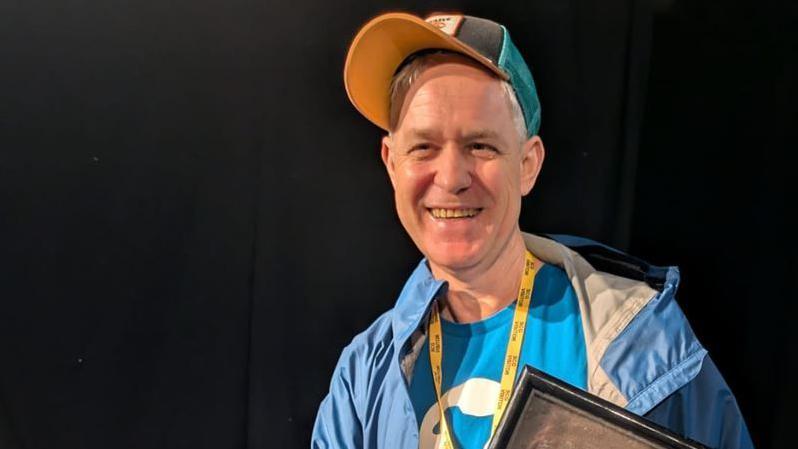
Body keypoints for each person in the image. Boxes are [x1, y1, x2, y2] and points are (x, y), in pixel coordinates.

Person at [312, 12, 753, 449]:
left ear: (527, 165)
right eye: (423, 147)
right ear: (392, 163)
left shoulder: (640, 342)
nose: (450, 178)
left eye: (480, 145)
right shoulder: (365, 373)